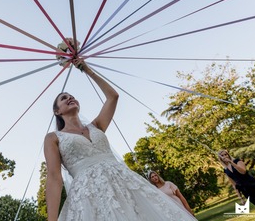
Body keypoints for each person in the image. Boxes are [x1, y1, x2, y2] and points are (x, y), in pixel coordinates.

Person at [43, 57, 197, 221]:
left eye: (71, 96)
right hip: (90, 195)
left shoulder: (96, 125)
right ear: (57, 111)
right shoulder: (53, 138)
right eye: (64, 98)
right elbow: (54, 178)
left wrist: (86, 69)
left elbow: (113, 96)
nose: (69, 98)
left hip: (124, 182)